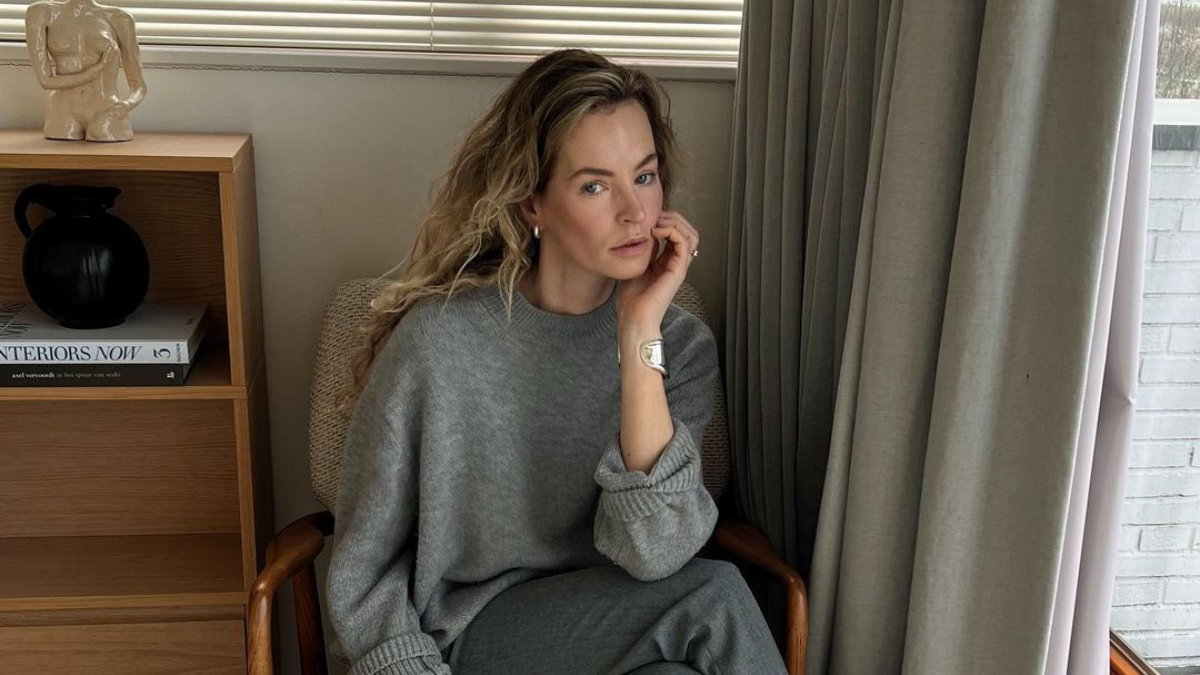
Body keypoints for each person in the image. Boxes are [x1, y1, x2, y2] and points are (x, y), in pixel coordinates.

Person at [326, 48, 789, 675]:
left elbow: (656, 553)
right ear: (532, 204)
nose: (634, 212)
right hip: (475, 636)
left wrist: (637, 332)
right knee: (717, 596)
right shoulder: (439, 344)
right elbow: (365, 564)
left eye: (645, 177)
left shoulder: (678, 347)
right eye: (595, 185)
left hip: (616, 631)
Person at [24, 0, 147, 142]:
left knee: (107, 148)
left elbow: (139, 86)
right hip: (63, 110)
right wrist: (96, 70)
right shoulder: (42, 12)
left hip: (106, 109)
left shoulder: (119, 18)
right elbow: (45, 81)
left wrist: (126, 105)